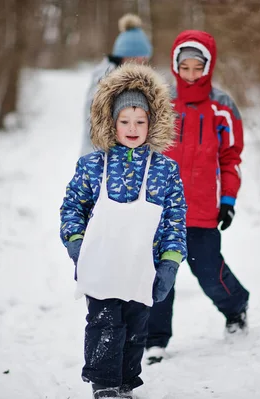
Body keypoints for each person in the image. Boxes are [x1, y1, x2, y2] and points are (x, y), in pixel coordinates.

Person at [60, 63, 187, 399]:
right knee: (104, 323)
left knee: (134, 328)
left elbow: (175, 217)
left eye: (140, 122)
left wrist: (170, 262)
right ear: (111, 122)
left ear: (152, 123)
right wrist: (76, 245)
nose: (132, 128)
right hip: (100, 265)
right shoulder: (92, 165)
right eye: (125, 121)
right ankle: (104, 384)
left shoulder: (165, 170)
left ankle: (126, 382)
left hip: (141, 267)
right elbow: (72, 207)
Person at [145, 30, 250, 365]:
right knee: (161, 273)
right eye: (185, 67)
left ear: (208, 66)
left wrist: (228, 201)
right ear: (176, 66)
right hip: (162, 209)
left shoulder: (222, 107)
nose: (191, 74)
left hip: (204, 208)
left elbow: (230, 158)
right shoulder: (160, 103)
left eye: (197, 67)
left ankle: (236, 307)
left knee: (208, 270)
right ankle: (155, 340)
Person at [80, 13, 153, 156]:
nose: (142, 63)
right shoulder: (105, 82)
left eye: (144, 59)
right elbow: (94, 125)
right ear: (125, 56)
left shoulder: (133, 80)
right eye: (138, 58)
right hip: (102, 159)